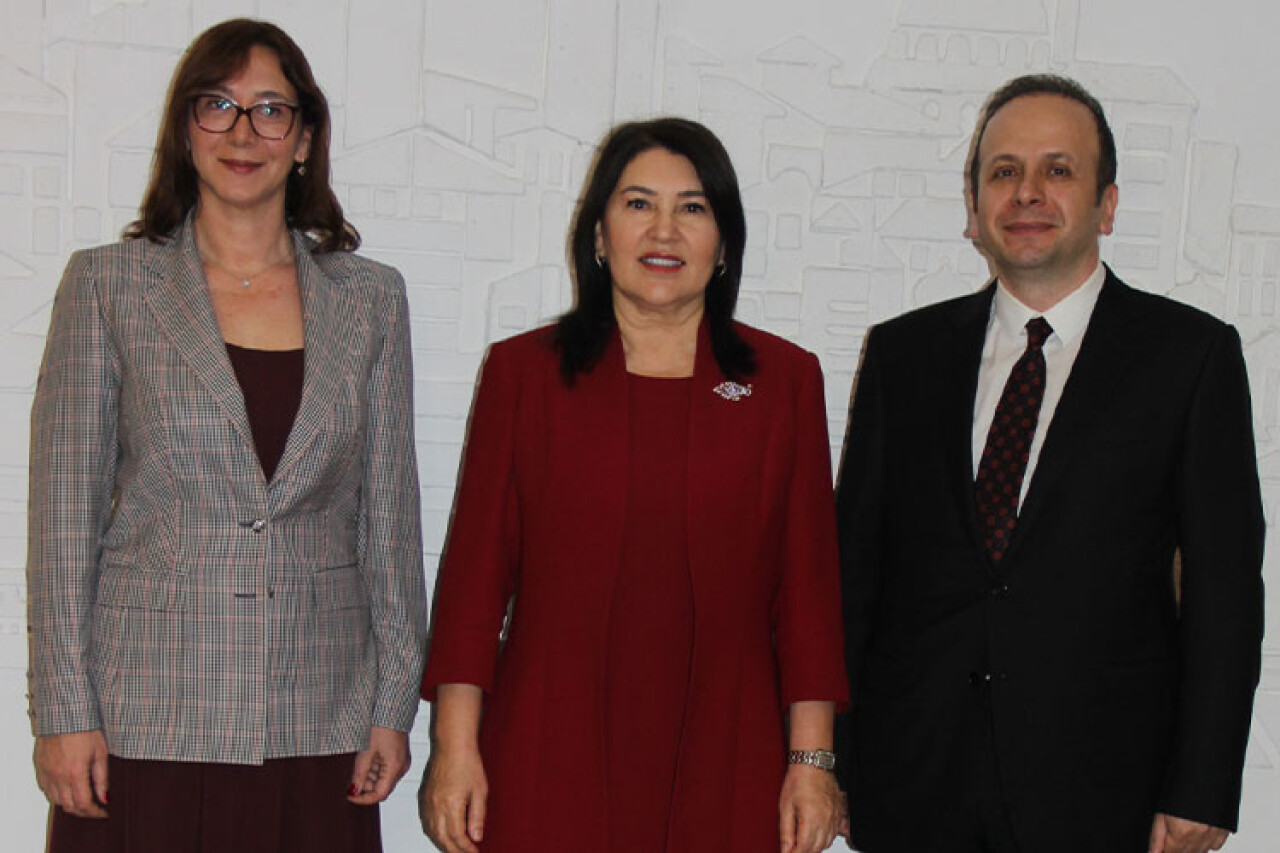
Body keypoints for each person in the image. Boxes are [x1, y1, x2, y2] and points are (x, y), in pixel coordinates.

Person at [834, 73, 1265, 853]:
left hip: (1102, 786)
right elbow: (854, 573)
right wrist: (827, 758)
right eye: (1004, 171)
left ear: (1107, 204)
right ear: (974, 210)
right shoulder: (905, 355)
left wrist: (1203, 781)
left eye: (1058, 169)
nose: (1027, 192)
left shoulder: (1189, 357)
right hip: (913, 779)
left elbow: (1224, 588)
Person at [27, 18, 426, 853]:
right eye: (218, 105)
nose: (244, 132)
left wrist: (394, 702)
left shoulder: (371, 300)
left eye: (271, 110)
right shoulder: (108, 287)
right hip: (145, 720)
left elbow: (389, 521)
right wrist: (64, 711)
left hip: (317, 717)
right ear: (186, 129)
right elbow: (63, 521)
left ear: (305, 139)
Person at [419, 117, 848, 853]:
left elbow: (809, 593)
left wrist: (812, 762)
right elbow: (474, 584)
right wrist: (454, 749)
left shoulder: (785, 382)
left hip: (728, 745)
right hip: (548, 738)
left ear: (724, 244)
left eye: (693, 207)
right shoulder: (524, 375)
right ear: (598, 233)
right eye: (639, 203)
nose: (664, 230)